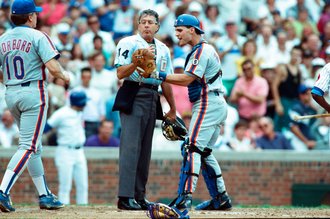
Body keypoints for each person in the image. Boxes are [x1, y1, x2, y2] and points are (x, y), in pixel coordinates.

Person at [149, 14, 232, 211]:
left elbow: (187, 79)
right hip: (214, 102)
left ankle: (184, 198)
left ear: (192, 30)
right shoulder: (203, 49)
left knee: (191, 148)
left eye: (180, 30)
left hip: (208, 102)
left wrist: (157, 74)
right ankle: (220, 198)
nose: (176, 34)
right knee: (203, 152)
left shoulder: (201, 50)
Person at [0, 0, 70, 212]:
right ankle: (2, 191)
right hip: (33, 91)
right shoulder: (38, 35)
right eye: (35, 14)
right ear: (30, 16)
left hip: (11, 92)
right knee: (28, 146)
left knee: (33, 146)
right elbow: (52, 66)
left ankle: (44, 195)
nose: (37, 16)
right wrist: (65, 76)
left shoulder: (2, 39)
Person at [113, 9, 176, 210]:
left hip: (152, 94)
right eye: (143, 22)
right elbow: (120, 73)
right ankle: (125, 197)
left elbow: (166, 80)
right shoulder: (128, 43)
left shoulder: (164, 49)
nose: (147, 25)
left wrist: (172, 108)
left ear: (158, 26)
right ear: (138, 25)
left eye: (151, 22)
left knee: (145, 149)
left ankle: (139, 196)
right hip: (133, 90)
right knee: (131, 147)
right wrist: (135, 62)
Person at [43, 91, 88, 205]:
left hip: (79, 151)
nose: (85, 105)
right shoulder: (61, 113)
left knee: (83, 185)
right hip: (65, 151)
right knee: (65, 185)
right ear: (78, 103)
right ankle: (64, 211)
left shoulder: (80, 112)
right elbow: (46, 128)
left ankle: (83, 211)